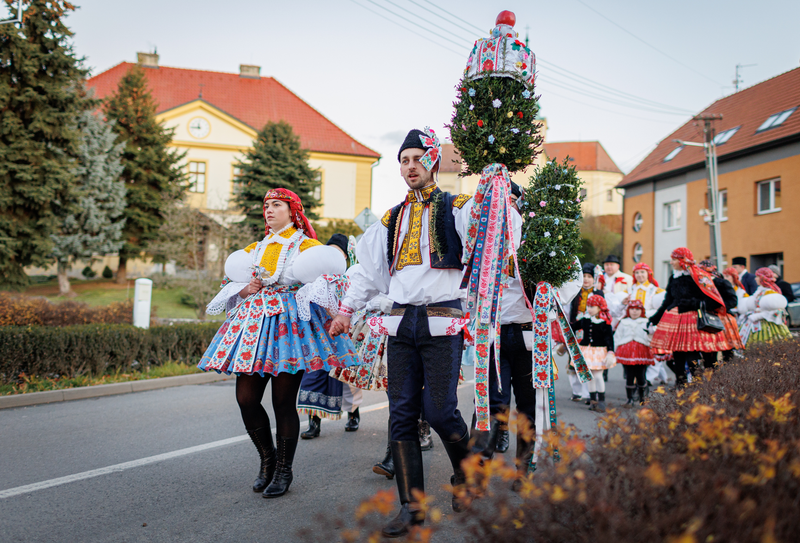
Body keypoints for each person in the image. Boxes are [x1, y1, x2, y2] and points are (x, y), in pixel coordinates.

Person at [329, 128, 477, 537]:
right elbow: (366, 272)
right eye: (404, 160)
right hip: (400, 323)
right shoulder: (391, 219)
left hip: (443, 320)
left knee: (441, 410)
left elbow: (491, 235)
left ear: (433, 160)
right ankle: (412, 507)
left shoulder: (459, 207)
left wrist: (495, 189)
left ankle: (467, 474)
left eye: (417, 158)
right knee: (402, 416)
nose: (410, 166)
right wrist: (345, 311)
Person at [198, 188, 359, 499]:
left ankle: (284, 469)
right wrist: (246, 289)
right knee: (245, 397)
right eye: (266, 206)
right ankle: (267, 458)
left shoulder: (307, 245)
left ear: (292, 211)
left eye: (276, 205)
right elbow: (232, 283)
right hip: (254, 327)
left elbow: (329, 280)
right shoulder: (255, 248)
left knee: (283, 402)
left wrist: (338, 315)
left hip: (291, 330)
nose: (269, 211)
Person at [297, 234, 363, 437]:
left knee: (346, 378)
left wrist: (355, 328)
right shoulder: (310, 281)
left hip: (342, 336)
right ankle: (313, 422)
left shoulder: (348, 280)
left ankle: (353, 413)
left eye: (338, 251)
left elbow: (357, 306)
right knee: (313, 375)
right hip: (317, 337)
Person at [649, 248, 730, 389]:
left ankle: (697, 385)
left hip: (693, 319)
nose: (671, 262)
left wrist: (695, 303)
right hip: (675, 319)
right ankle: (680, 383)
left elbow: (714, 298)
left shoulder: (698, 275)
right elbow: (668, 300)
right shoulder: (673, 277)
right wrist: (655, 318)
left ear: (682, 261)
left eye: (674, 259)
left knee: (692, 353)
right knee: (678, 353)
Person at [566, 263, 602, 403]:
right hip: (576, 330)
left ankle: (589, 393)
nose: (586, 279)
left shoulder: (599, 294)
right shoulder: (574, 293)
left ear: (594, 278)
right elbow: (568, 313)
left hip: (591, 332)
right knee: (574, 361)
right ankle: (576, 391)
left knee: (588, 363)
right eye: (584, 276)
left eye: (589, 276)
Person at [698, 260, 743, 368]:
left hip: (723, 320)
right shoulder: (699, 284)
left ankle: (729, 376)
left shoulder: (721, 283)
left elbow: (733, 301)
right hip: (707, 320)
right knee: (709, 351)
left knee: (727, 351)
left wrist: (718, 307)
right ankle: (712, 376)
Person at [575, 294, 615, 413]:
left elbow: (609, 338)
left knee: (598, 376)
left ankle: (601, 400)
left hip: (599, 352)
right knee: (590, 377)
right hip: (587, 351)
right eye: (588, 306)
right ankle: (593, 400)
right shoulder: (585, 320)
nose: (589, 309)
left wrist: (610, 351)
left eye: (592, 306)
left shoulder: (604, 322)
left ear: (600, 307)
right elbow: (573, 327)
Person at [614, 300, 653, 407]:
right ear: (628, 310)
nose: (634, 312)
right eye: (632, 309)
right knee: (629, 375)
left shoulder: (646, 322)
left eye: (637, 309)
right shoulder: (623, 322)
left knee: (641, 375)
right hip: (626, 351)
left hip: (641, 351)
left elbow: (651, 336)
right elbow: (617, 337)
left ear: (641, 311)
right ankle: (629, 399)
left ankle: (642, 397)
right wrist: (614, 350)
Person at [738, 267, 792, 345]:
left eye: (757, 277)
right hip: (756, 324)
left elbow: (776, 311)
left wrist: (758, 316)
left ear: (763, 278)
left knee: (768, 344)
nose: (755, 279)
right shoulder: (760, 291)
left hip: (768, 325)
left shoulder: (770, 292)